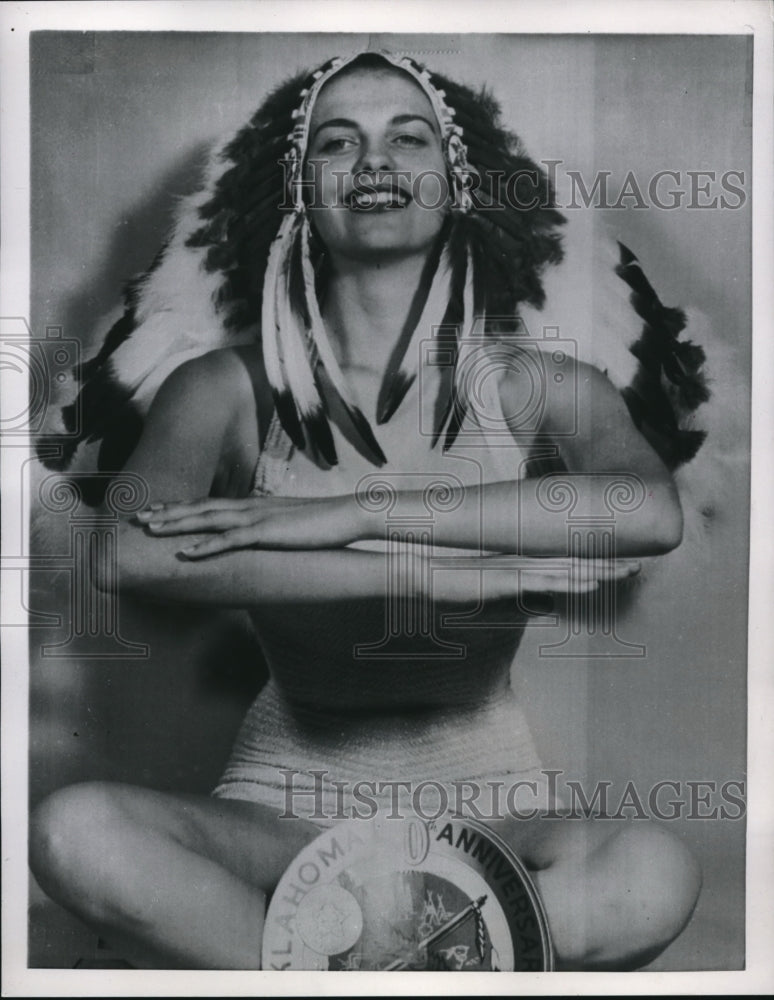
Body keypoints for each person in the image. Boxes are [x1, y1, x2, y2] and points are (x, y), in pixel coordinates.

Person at [30, 50, 705, 971]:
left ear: (455, 180)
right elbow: (129, 556)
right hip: (279, 810)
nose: (375, 163)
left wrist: (350, 510)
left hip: (493, 807)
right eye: (338, 143)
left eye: (407, 136)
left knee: (654, 871)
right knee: (75, 832)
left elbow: (646, 510)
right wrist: (440, 565)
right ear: (300, 187)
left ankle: (344, 966)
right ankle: (429, 964)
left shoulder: (540, 384)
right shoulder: (224, 389)